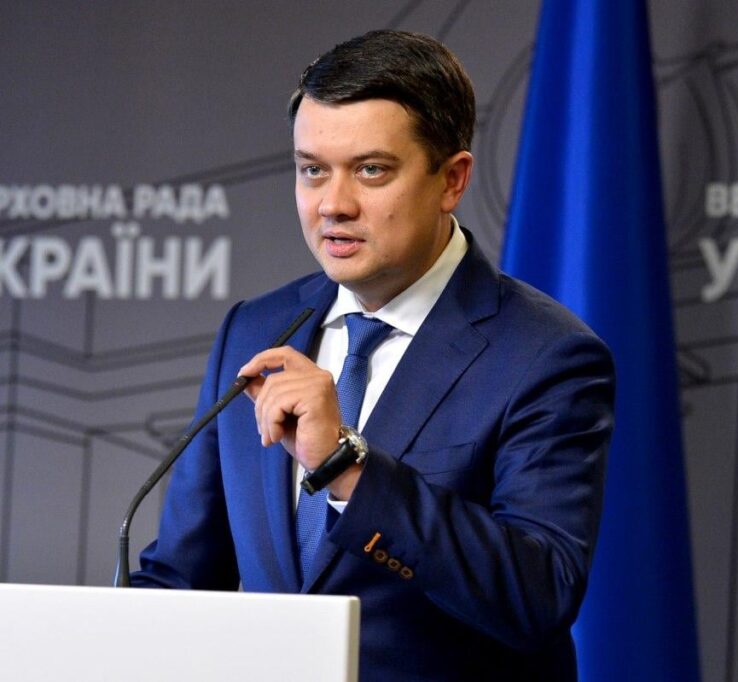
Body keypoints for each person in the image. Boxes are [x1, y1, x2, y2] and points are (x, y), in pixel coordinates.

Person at [133, 29, 615, 682]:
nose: (333, 205)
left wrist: (347, 467)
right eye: (312, 170)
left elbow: (538, 595)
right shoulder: (256, 329)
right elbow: (182, 580)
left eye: (371, 170)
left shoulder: (546, 355)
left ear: (452, 180)